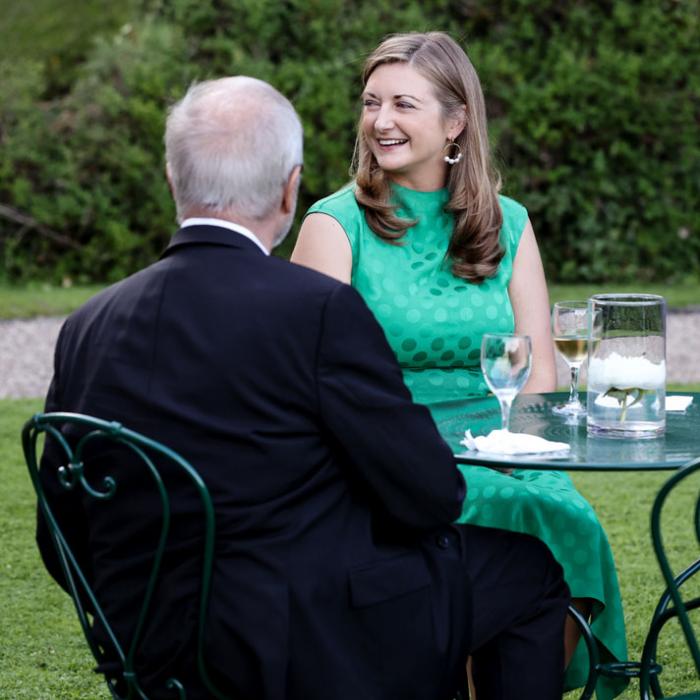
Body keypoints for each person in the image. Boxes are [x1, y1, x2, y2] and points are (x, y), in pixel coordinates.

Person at [36, 76, 570, 700]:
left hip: (152, 649)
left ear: (172, 178)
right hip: (306, 646)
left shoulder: (88, 325)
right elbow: (429, 494)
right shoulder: (319, 310)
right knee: (529, 574)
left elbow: (60, 529)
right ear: (291, 190)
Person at [292, 32, 628, 699]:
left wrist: (521, 451)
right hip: (390, 454)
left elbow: (537, 364)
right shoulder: (334, 226)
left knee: (569, 522)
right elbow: (308, 385)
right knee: (498, 513)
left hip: (506, 442)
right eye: (371, 103)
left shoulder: (507, 222)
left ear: (456, 120)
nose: (381, 120)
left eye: (403, 104)